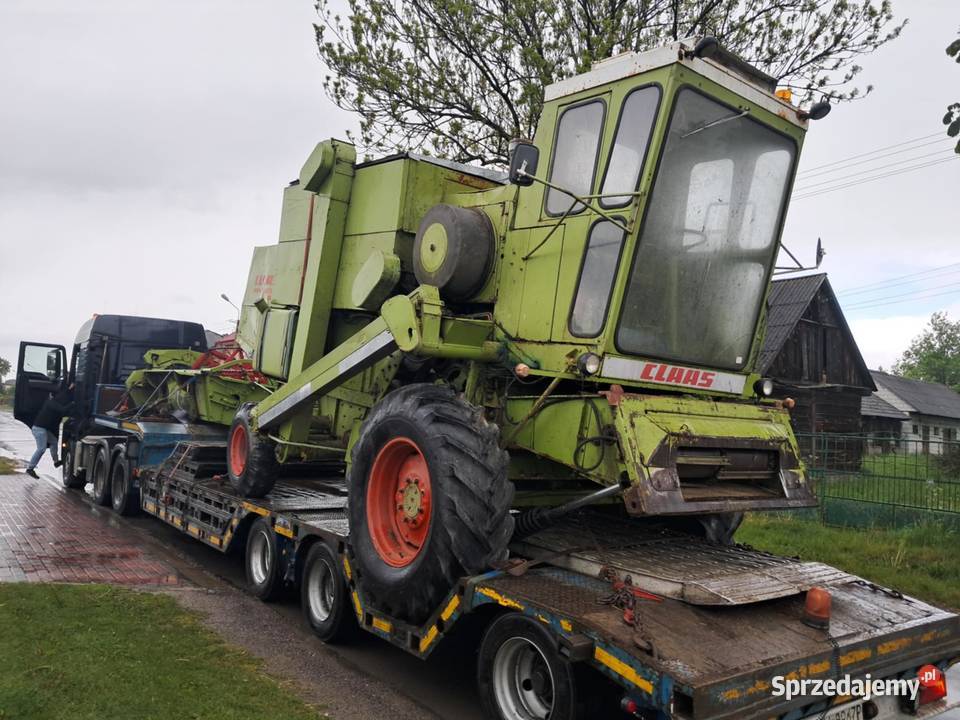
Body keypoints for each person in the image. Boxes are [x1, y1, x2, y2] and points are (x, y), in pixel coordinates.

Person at [25, 385, 74, 479]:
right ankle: (30, 468)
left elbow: (62, 396)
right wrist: (73, 403)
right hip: (39, 429)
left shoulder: (52, 402)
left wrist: (69, 389)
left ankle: (56, 462)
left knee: (54, 442)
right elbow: (63, 410)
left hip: (43, 429)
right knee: (41, 449)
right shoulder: (50, 403)